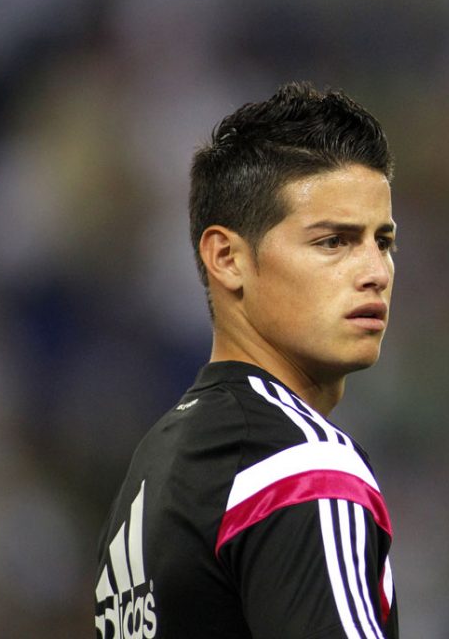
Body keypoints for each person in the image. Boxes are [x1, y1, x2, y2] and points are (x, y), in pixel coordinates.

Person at [94, 82, 400, 639]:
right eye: (334, 241)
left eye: (382, 241)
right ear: (228, 258)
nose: (375, 271)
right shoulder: (302, 466)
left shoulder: (152, 471)